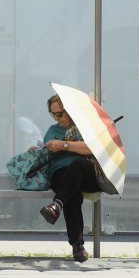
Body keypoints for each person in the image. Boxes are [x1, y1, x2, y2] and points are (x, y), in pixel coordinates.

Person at [39, 94, 100, 262]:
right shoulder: (53, 131)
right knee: (71, 193)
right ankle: (77, 245)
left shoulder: (84, 127)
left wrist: (65, 145)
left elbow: (91, 148)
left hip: (86, 172)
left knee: (77, 165)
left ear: (70, 110)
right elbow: (47, 151)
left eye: (60, 113)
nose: (57, 118)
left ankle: (56, 205)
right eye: (53, 114)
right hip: (60, 173)